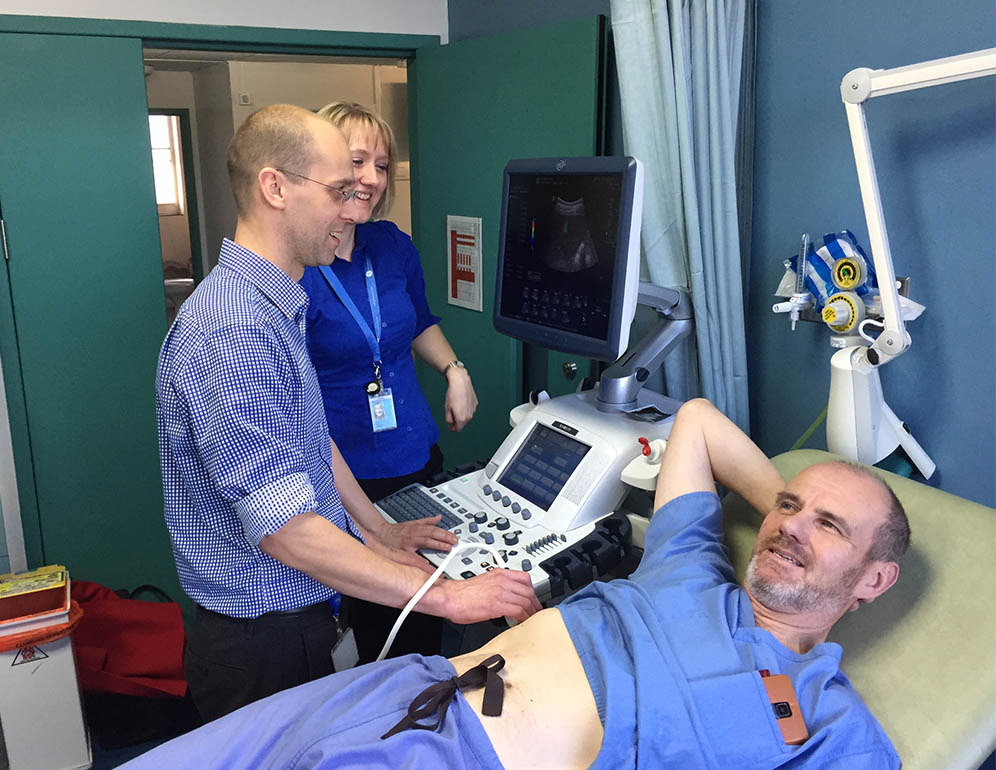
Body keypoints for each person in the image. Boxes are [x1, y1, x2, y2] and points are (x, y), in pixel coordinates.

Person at [132, 397, 906, 768]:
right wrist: (795, 519)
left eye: (829, 527)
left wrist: (803, 531)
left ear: (874, 580)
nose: (791, 525)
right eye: (789, 508)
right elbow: (697, 421)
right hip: (406, 689)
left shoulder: (826, 715)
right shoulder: (691, 564)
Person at [154, 104, 540, 724]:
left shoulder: (273, 305)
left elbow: (309, 442)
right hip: (264, 640)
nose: (352, 204)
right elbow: (286, 530)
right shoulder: (232, 330)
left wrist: (380, 532)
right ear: (274, 187)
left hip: (307, 616)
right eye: (338, 188)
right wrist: (443, 597)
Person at [300, 101, 480, 661]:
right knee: (372, 623)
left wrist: (455, 371)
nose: (372, 179)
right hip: (342, 471)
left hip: (413, 454)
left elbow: (418, 320)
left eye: (383, 164)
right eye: (357, 162)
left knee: (423, 613)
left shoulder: (392, 244)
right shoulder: (296, 262)